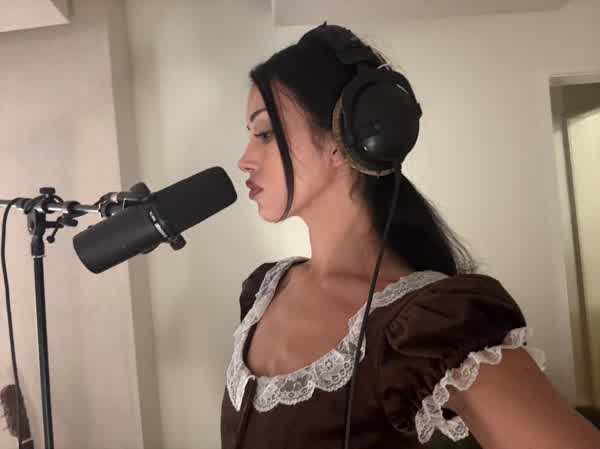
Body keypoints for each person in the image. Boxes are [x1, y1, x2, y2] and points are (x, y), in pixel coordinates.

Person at [221, 23, 600, 449]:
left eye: (265, 134)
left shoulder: (431, 323)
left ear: (342, 139)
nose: (244, 160)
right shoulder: (262, 291)